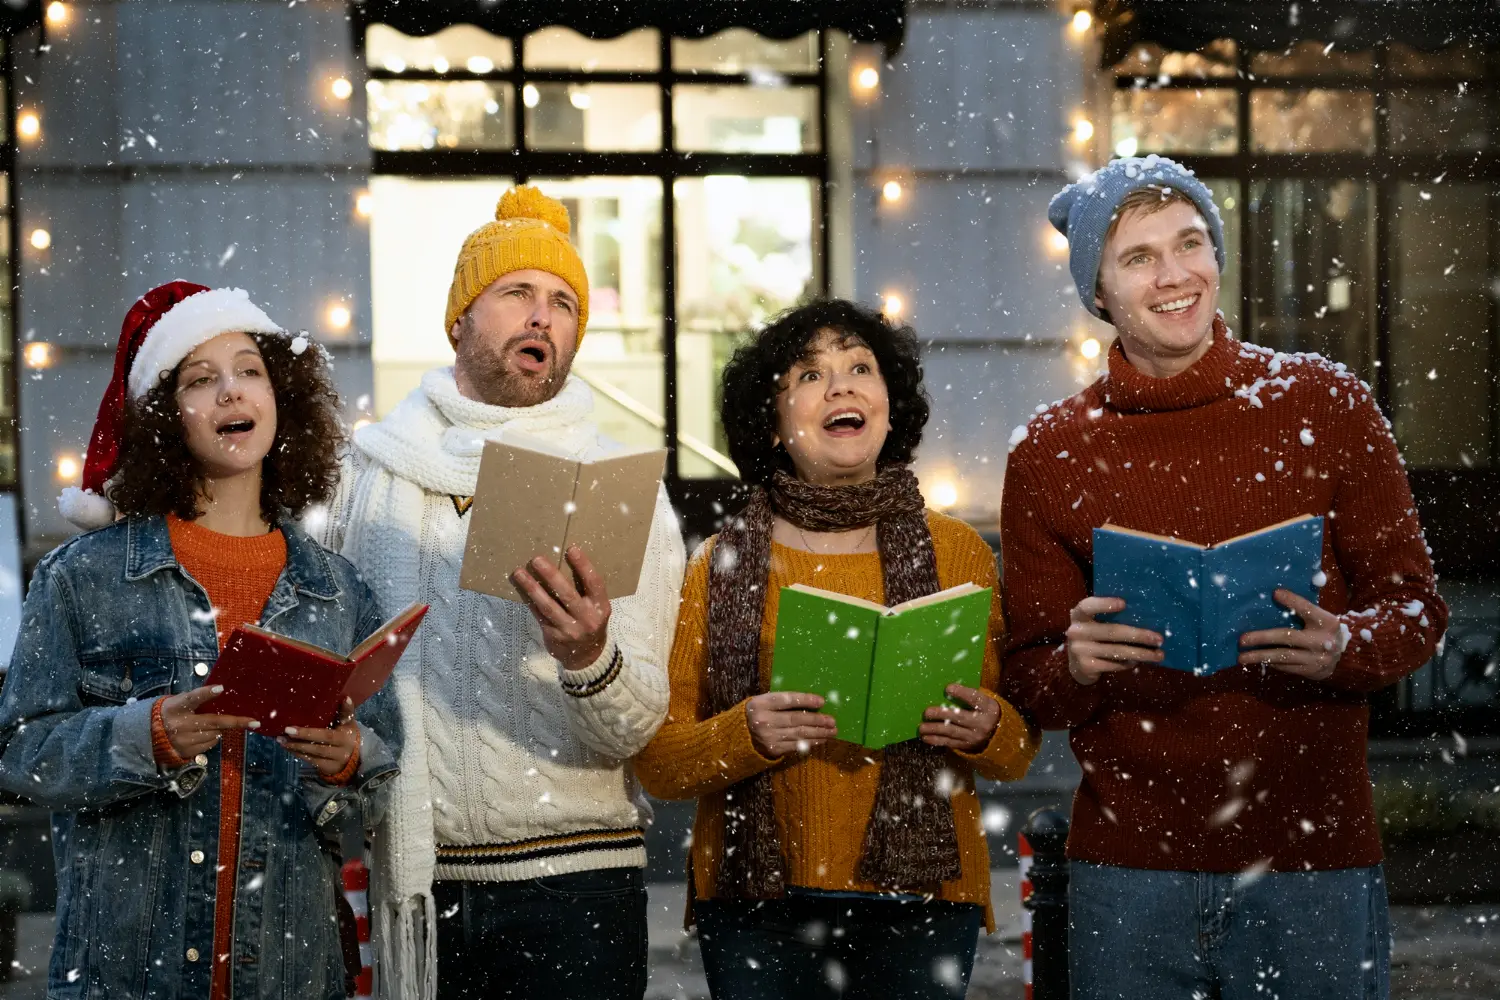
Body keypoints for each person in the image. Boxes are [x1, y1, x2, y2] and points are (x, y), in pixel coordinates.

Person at [1000, 155, 1448, 1000]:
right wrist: (1071, 664)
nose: (1176, 276)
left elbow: (1417, 608)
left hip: (1309, 859)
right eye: (1139, 257)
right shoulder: (1051, 450)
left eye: (1191, 243)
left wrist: (1344, 645)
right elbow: (1026, 674)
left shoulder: (1326, 403)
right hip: (1130, 868)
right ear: (1098, 292)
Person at [315, 186, 685, 1000]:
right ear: (460, 320)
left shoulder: (620, 489)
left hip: (580, 888)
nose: (543, 316)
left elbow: (637, 726)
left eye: (563, 303)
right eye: (517, 292)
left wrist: (589, 656)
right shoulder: (365, 477)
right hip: (422, 880)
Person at [0, 281, 400, 999]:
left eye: (250, 369)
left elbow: (378, 778)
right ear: (163, 416)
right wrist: (144, 734)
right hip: (124, 977)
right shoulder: (81, 579)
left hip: (290, 974)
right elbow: (20, 752)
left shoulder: (340, 592)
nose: (231, 392)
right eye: (199, 378)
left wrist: (348, 763)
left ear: (282, 398)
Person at [634, 299, 1039, 1000]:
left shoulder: (960, 553)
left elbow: (1017, 749)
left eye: (860, 368)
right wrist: (747, 732)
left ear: (890, 405)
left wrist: (986, 728)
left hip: (925, 898)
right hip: (759, 904)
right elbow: (660, 765)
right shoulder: (720, 563)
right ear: (773, 421)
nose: (843, 386)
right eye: (811, 375)